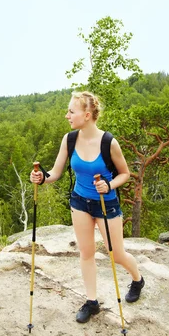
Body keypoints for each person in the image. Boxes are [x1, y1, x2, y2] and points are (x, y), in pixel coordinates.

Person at [30, 91, 145, 324]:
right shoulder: (69, 139)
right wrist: (42, 178)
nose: (67, 116)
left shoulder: (108, 142)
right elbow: (56, 172)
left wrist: (109, 184)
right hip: (80, 202)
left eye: (72, 112)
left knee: (116, 254)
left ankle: (137, 279)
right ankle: (92, 302)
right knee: (86, 253)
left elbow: (125, 173)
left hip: (106, 204)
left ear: (87, 114)